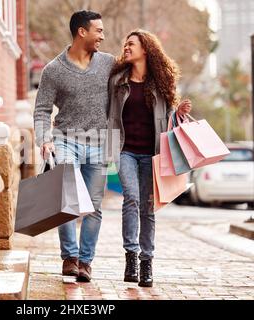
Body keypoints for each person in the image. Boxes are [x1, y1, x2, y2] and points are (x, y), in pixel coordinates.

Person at [33, 10, 115, 282]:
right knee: (66, 199)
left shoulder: (108, 64)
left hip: (100, 143)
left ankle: (85, 262)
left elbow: (133, 87)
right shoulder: (54, 70)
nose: (102, 36)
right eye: (99, 31)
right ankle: (69, 257)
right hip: (66, 140)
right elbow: (42, 110)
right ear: (82, 32)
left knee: (93, 206)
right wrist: (44, 139)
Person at [107, 29, 192, 287]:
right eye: (125, 44)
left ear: (146, 49)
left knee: (148, 205)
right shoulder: (117, 81)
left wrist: (179, 111)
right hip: (124, 151)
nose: (126, 48)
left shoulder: (161, 82)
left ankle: (147, 262)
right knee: (131, 198)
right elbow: (108, 115)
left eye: (131, 44)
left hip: (152, 154)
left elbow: (169, 119)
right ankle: (131, 256)